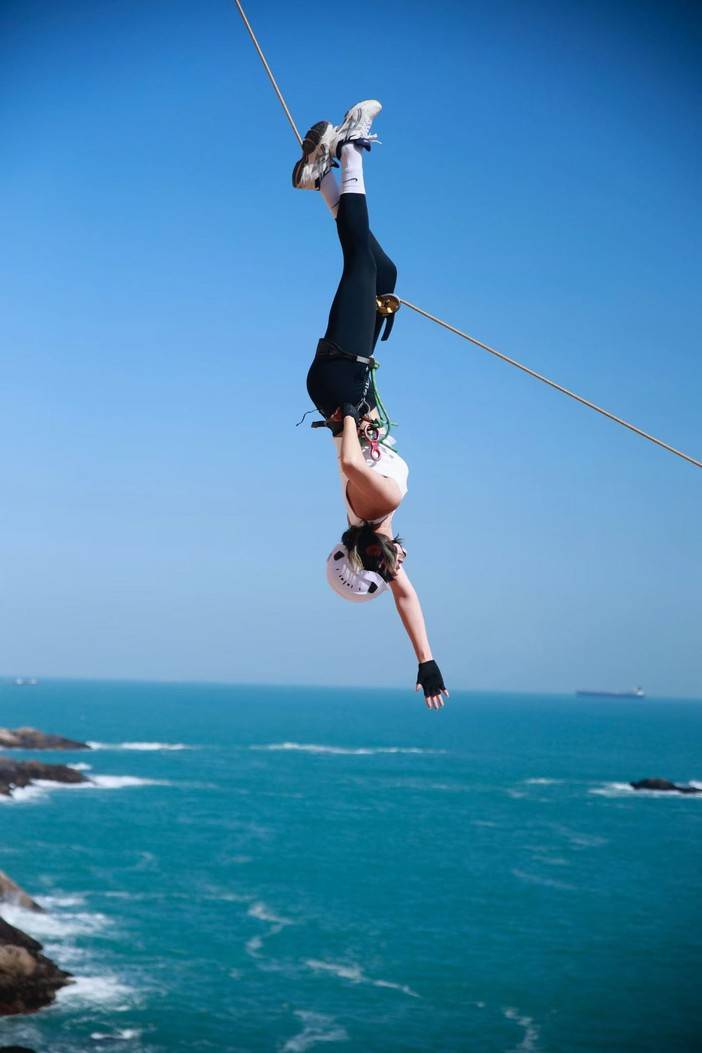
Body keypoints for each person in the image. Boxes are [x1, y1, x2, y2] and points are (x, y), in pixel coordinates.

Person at [294, 101, 448, 711]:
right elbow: (407, 598)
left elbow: (352, 464)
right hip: (336, 383)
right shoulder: (368, 525)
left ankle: (351, 149)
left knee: (360, 261)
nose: (398, 572)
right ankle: (320, 179)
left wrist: (354, 417)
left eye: (385, 570)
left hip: (342, 374)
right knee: (384, 272)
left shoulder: (378, 503)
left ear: (373, 557)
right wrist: (426, 660)